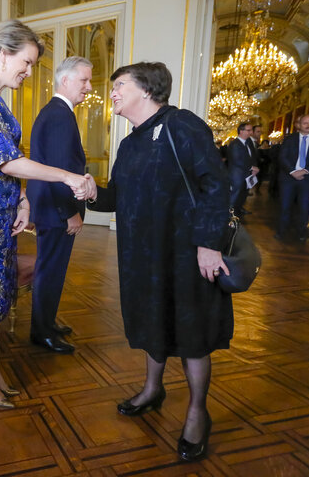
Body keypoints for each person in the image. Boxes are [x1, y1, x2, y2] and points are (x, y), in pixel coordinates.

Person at [88, 62, 231, 462]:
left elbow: (216, 185)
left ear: (147, 89)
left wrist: (208, 243)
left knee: (190, 331)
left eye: (119, 85)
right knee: (154, 320)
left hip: (187, 253)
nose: (112, 92)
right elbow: (114, 199)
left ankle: (198, 412)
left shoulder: (182, 125)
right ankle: (153, 390)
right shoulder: (130, 142)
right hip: (142, 256)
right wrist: (87, 191)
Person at [0, 19, 95, 410]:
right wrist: (68, 177)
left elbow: (5, 165)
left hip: (1, 208)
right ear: (5, 54)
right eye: (28, 62)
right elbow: (7, 160)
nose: (30, 72)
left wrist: (22, 200)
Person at [26, 56, 93, 354]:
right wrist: (70, 213)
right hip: (57, 211)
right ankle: (41, 333)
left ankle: (47, 323)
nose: (89, 87)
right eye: (84, 80)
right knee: (50, 271)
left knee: (52, 270)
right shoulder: (58, 115)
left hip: (53, 209)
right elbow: (58, 172)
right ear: (65, 81)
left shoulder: (56, 112)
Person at [276, 114, 309, 241]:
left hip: (307, 178)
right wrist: (292, 171)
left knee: (304, 206)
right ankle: (281, 232)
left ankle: (302, 232)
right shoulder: (289, 139)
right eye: (306, 123)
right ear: (299, 124)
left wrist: (305, 170)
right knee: (285, 206)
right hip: (288, 178)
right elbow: (282, 157)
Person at [225, 122, 259, 216]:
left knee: (243, 194)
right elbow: (237, 160)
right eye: (248, 130)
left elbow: (253, 157)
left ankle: (238, 209)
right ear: (241, 131)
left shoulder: (248, 142)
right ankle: (228, 214)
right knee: (235, 194)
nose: (251, 132)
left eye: (251, 130)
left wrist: (254, 167)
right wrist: (251, 167)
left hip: (247, 174)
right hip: (237, 174)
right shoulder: (235, 144)